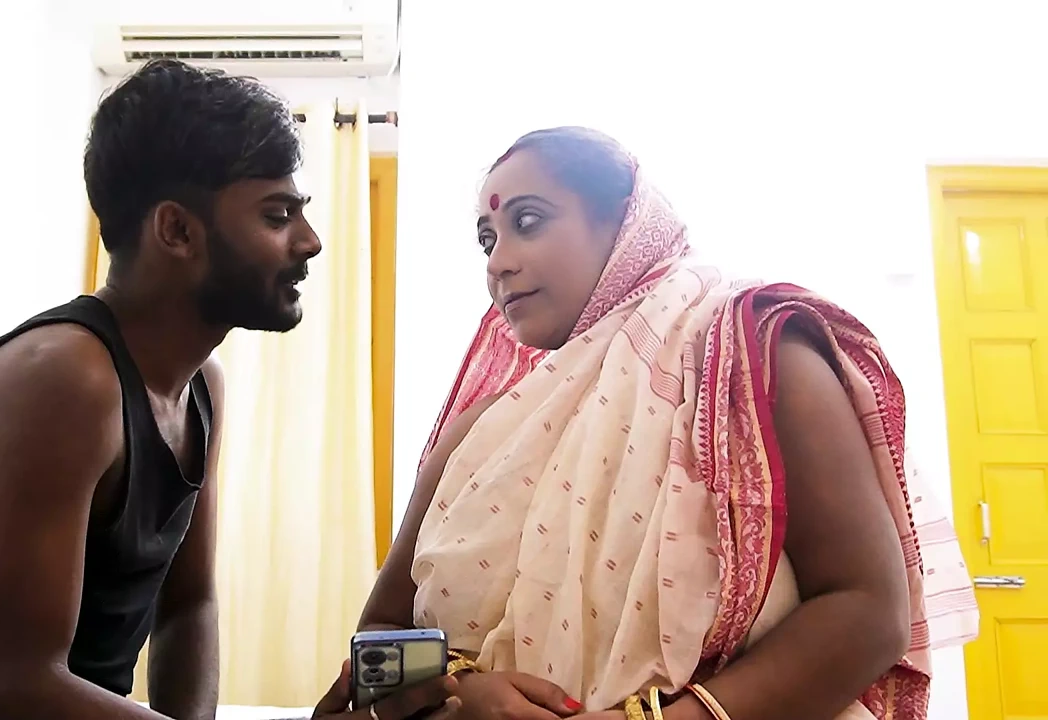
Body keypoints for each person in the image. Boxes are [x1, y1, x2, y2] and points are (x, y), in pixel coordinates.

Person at [0, 59, 460, 720]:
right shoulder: (64, 380)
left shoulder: (201, 384)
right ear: (177, 230)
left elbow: (188, 607)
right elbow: (16, 688)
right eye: (277, 215)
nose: (311, 241)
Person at [360, 127, 979, 720]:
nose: (500, 263)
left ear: (626, 224)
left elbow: (868, 611)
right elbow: (378, 636)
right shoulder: (483, 431)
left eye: (527, 221)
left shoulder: (752, 357)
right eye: (486, 239)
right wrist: (464, 696)